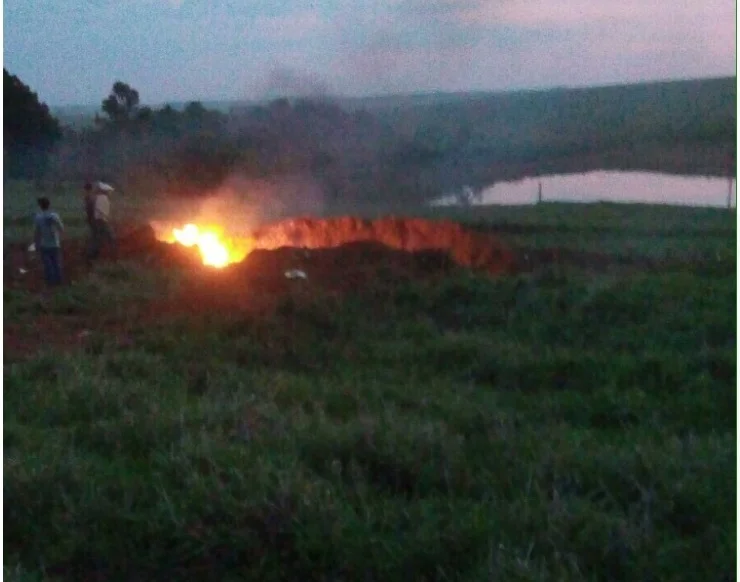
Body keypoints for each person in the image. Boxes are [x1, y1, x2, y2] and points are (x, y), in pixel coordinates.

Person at [33, 197, 65, 286]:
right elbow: (61, 229)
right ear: (49, 205)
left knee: (47, 265)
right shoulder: (55, 216)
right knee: (56, 263)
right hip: (55, 243)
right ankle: (59, 282)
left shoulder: (38, 217)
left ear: (40, 206)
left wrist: (36, 243)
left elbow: (37, 232)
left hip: (44, 244)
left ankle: (50, 283)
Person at [86, 182, 116, 264]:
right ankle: (112, 254)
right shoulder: (102, 198)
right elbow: (101, 210)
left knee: (97, 237)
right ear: (106, 191)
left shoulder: (99, 198)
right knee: (109, 236)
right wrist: (106, 216)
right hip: (101, 221)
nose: (110, 193)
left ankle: (93, 254)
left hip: (99, 220)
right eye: (109, 192)